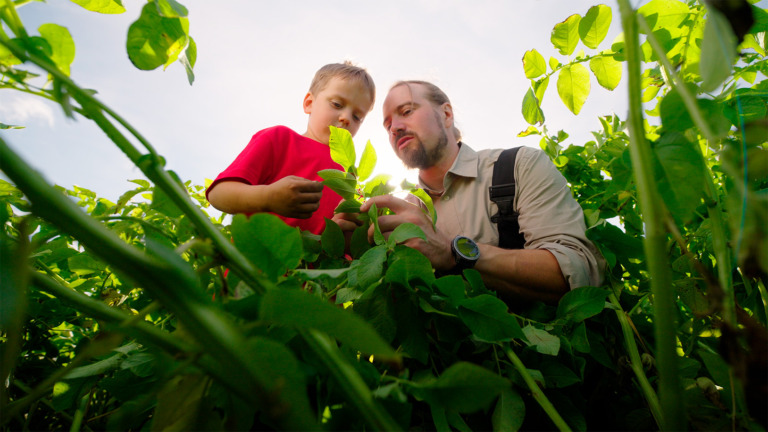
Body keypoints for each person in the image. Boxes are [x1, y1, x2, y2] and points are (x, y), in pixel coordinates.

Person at [334, 80, 604, 305]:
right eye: (387, 124)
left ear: (447, 114)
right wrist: (354, 250)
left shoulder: (518, 166)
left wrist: (453, 251)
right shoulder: (399, 217)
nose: (395, 127)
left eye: (406, 111)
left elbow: (578, 274)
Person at [206, 62, 375, 234]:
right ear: (309, 103)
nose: (346, 118)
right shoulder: (280, 139)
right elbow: (218, 194)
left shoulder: (350, 176)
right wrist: (268, 197)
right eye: (337, 104)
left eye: (357, 117)